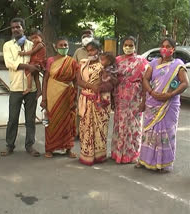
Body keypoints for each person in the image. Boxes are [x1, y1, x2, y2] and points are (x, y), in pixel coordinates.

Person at [136, 38, 189, 172]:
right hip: (152, 103)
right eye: (163, 46)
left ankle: (162, 164)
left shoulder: (178, 65)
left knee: (165, 134)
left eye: (168, 46)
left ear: (173, 49)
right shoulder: (153, 63)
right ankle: (144, 160)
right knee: (148, 133)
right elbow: (145, 79)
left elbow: (185, 83)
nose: (165, 49)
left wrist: (170, 94)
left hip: (169, 105)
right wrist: (151, 92)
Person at [1, 17, 40, 157]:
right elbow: (10, 63)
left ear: (23, 28)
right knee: (13, 118)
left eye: (18, 27)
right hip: (16, 86)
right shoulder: (8, 45)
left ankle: (30, 145)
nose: (15, 29)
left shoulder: (32, 44)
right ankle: (9, 145)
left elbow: (38, 61)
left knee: (30, 119)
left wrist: (35, 67)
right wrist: (29, 66)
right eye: (13, 28)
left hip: (32, 87)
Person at [111, 36, 148, 164]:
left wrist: (144, 101)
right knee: (120, 125)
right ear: (122, 46)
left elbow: (145, 82)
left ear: (135, 46)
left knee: (133, 126)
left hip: (135, 98)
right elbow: (112, 80)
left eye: (130, 45)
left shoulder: (142, 62)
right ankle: (118, 153)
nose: (128, 47)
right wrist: (111, 99)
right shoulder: (116, 60)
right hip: (120, 98)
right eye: (126, 45)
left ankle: (131, 155)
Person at [40, 37, 78, 158]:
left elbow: (76, 80)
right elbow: (45, 79)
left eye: (65, 45)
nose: (63, 47)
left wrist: (76, 97)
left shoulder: (72, 61)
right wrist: (44, 98)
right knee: (51, 121)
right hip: (52, 94)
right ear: (56, 47)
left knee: (68, 121)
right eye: (61, 45)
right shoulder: (50, 60)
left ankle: (68, 148)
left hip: (67, 94)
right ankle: (49, 148)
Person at [77, 40, 112, 165]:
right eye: (88, 50)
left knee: (100, 128)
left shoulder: (105, 65)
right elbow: (78, 80)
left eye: (93, 50)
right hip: (86, 98)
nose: (91, 52)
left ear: (99, 50)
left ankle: (100, 155)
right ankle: (87, 155)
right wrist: (90, 86)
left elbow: (110, 81)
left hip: (100, 100)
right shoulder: (82, 64)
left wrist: (100, 87)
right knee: (85, 128)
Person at [19, 29, 46, 98]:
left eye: (36, 37)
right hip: (36, 62)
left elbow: (32, 52)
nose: (34, 40)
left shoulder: (40, 44)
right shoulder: (35, 44)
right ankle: (39, 91)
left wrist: (23, 53)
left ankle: (29, 87)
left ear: (41, 37)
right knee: (36, 78)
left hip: (37, 62)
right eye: (32, 39)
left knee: (28, 71)